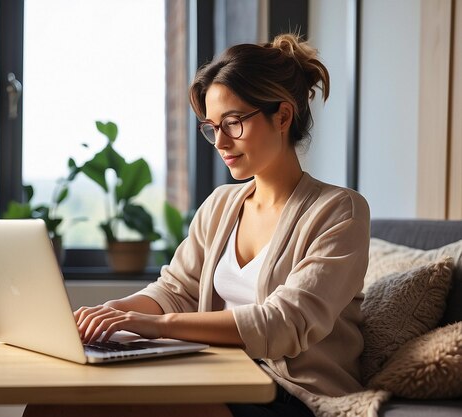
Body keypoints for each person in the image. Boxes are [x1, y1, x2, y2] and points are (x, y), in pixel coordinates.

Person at [24, 33, 370, 417]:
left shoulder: (340, 211)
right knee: (53, 399)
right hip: (219, 376)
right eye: (211, 126)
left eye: (233, 123)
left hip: (296, 398)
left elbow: (283, 323)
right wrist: (112, 313)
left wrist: (157, 326)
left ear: (283, 116)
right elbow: (176, 290)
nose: (220, 141)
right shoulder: (221, 205)